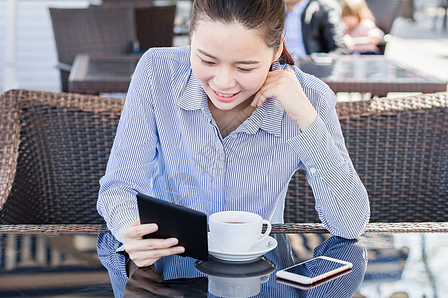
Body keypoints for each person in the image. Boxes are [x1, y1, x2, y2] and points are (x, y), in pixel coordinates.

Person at [97, 0, 370, 269]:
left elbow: (349, 224)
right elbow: (120, 187)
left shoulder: (311, 98)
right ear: (191, 38)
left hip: (261, 277)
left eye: (245, 67)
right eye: (206, 60)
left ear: (277, 50)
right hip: (170, 272)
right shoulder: (157, 71)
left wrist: (307, 122)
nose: (223, 82)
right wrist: (131, 230)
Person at [283, 0, 348, 59]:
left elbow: (340, 50)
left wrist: (312, 60)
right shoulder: (277, 11)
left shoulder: (324, 8)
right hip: (280, 68)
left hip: (311, 69)